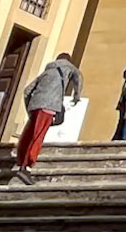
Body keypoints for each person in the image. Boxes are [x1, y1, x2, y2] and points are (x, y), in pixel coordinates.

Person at [7, 50, 82, 184]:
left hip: (35, 105)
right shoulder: (69, 68)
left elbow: (27, 90)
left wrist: (29, 107)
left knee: (28, 134)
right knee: (38, 135)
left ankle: (21, 162)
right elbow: (78, 77)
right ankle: (27, 167)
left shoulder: (47, 72)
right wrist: (77, 96)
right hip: (49, 106)